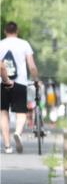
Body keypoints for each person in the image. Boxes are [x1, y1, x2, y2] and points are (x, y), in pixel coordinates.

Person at [1, 22, 39, 154]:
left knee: (3, 113)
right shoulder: (24, 44)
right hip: (20, 83)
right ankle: (17, 132)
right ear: (17, 31)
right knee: (21, 113)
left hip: (2, 82)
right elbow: (32, 66)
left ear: (5, 32)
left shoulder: (1, 44)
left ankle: (7, 146)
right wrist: (35, 79)